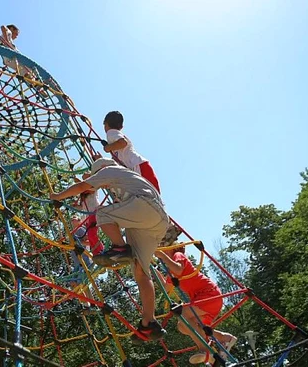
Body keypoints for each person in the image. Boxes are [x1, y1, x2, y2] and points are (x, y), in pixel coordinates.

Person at [49, 158, 170, 341]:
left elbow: (83, 185)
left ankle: (120, 248)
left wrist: (58, 196)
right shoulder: (127, 179)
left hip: (146, 209)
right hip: (156, 222)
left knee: (103, 214)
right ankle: (149, 322)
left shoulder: (111, 170)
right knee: (140, 271)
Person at [155, 245, 238, 364]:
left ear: (172, 248)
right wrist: (151, 270)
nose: (160, 249)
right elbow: (166, 288)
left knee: (182, 312)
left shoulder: (178, 255)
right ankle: (223, 338)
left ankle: (205, 349)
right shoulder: (171, 271)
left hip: (209, 295)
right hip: (205, 299)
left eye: (163, 247)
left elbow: (179, 269)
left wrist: (161, 255)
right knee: (182, 326)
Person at [102, 111, 161, 193]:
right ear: (121, 126)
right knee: (153, 196)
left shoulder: (111, 132)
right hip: (140, 166)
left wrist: (107, 148)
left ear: (106, 124)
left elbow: (123, 143)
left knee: (152, 195)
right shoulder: (116, 138)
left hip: (138, 166)